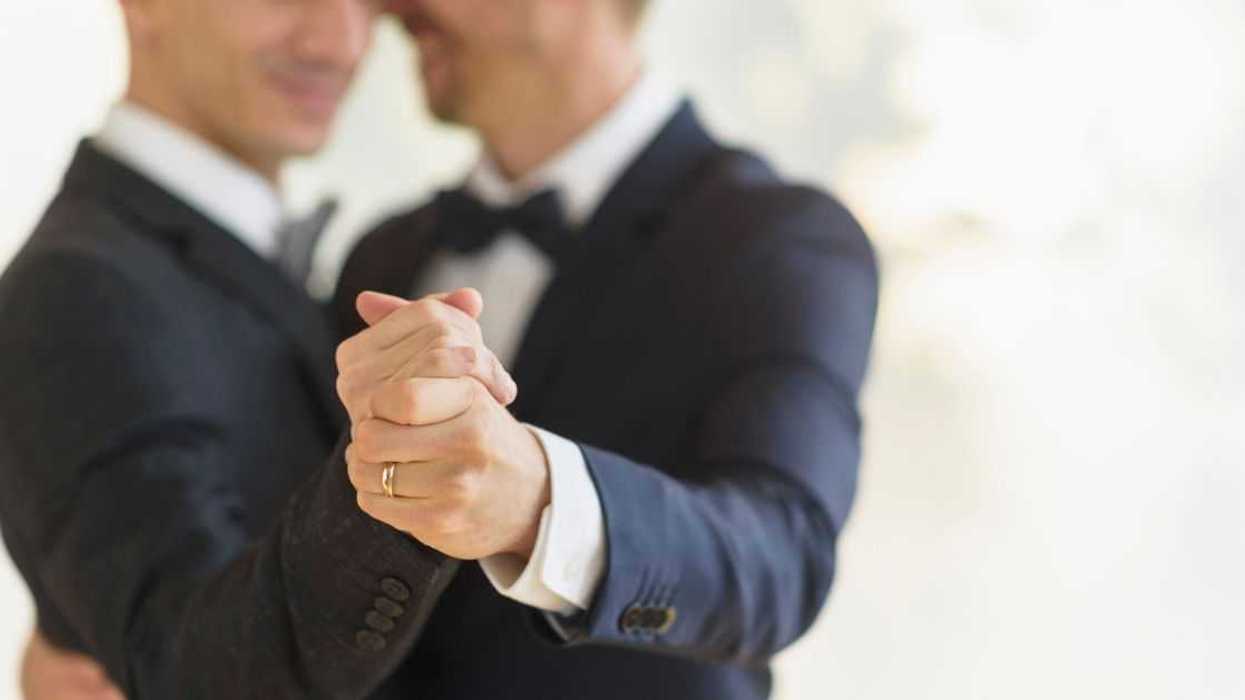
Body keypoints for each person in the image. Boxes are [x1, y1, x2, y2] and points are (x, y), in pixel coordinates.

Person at [331, 0, 880, 697]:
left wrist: (538, 502)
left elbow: (779, 561)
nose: (389, 10)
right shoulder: (380, 259)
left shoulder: (779, 239)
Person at [0, 0, 515, 697]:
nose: (340, 43)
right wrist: (406, 473)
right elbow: (197, 671)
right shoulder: (76, 288)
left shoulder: (298, 253)